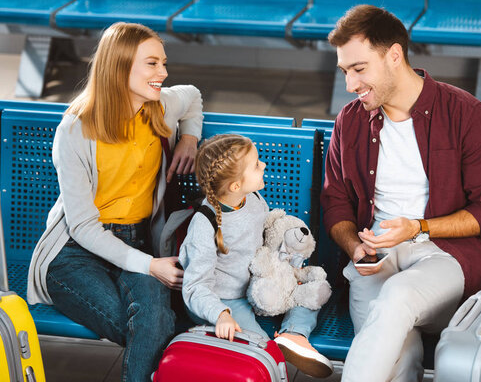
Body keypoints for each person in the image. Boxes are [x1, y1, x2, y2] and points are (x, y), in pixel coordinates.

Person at [321, 5, 481, 381]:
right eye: (345, 72)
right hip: (377, 258)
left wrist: (418, 227)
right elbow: (335, 200)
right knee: (399, 359)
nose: (350, 85)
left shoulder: (466, 114)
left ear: (394, 56)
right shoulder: (351, 120)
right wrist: (354, 247)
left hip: (445, 259)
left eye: (359, 70)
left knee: (397, 297)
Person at [26, 22, 203, 382]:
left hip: (139, 242)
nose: (164, 73)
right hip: (74, 252)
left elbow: (193, 95)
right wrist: (151, 266)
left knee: (154, 323)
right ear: (120, 67)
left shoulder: (160, 106)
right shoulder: (76, 128)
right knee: (156, 328)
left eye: (164, 63)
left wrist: (189, 137)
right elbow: (83, 227)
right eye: (152, 64)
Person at [179, 134, 334, 378]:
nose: (263, 165)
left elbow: (265, 235)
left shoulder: (251, 198)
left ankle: (293, 334)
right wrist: (220, 315)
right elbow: (195, 287)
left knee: (311, 292)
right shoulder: (204, 224)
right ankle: (275, 352)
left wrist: (286, 261)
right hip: (225, 301)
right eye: (256, 164)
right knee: (261, 352)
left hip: (259, 284)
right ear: (235, 186)